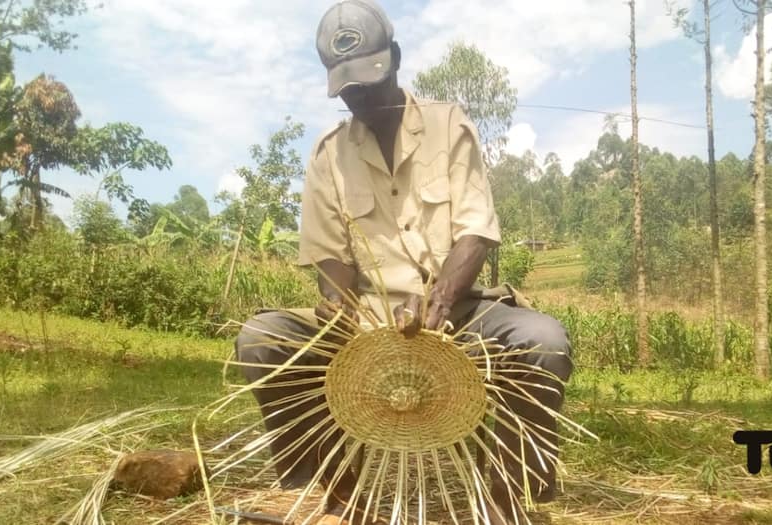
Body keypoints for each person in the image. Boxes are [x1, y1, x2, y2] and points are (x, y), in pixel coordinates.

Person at [235, 1, 573, 523]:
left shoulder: (447, 126)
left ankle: (504, 499)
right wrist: (338, 304)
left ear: (394, 57)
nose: (362, 97)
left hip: (456, 308)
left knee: (543, 341)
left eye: (370, 80)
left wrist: (438, 299)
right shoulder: (329, 154)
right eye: (348, 89)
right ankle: (335, 497)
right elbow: (331, 257)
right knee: (262, 340)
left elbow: (476, 234)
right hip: (365, 315)